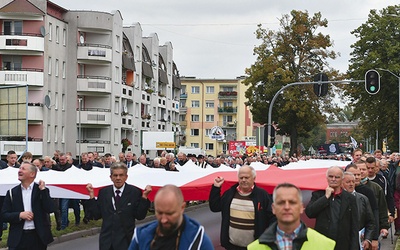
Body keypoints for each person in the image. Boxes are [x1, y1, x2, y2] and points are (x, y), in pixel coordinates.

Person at [85, 162, 152, 250]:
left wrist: (144, 197)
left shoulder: (134, 192)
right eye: (115, 175)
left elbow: (140, 216)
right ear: (111, 177)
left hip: (126, 241)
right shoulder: (104, 192)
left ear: (126, 177)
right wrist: (91, 196)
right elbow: (97, 215)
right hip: (107, 242)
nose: (118, 178)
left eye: (121, 175)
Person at [248, 183, 335, 250]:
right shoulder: (254, 248)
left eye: (292, 202)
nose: (287, 207)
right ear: (273, 208)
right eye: (281, 202)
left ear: (301, 208)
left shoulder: (326, 245)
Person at [209, 165, 275, 249]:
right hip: (231, 246)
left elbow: (273, 217)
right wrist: (216, 187)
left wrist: (268, 236)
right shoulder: (230, 193)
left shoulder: (262, 195)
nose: (243, 180)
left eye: (247, 177)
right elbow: (215, 207)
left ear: (254, 178)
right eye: (241, 177)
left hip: (254, 247)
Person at [128, 185, 213, 249]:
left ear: (182, 207)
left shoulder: (198, 240)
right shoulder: (142, 236)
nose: (164, 220)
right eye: (159, 213)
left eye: (170, 214)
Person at [1, 161, 54, 250]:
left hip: (37, 237)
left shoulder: (41, 191)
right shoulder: (11, 192)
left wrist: (43, 190)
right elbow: (4, 215)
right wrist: (20, 215)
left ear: (32, 174)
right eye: (19, 168)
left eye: (23, 169)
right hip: (18, 238)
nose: (19, 171)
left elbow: (50, 208)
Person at [305, 166, 359, 250]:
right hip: (322, 243)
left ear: (342, 179)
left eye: (337, 177)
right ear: (326, 178)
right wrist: (325, 197)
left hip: (342, 244)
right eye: (331, 176)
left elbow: (354, 225)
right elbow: (310, 213)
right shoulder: (318, 194)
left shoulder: (350, 198)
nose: (333, 179)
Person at [342, 172, 377, 250]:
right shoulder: (338, 199)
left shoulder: (363, 199)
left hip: (358, 241)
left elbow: (370, 222)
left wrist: (368, 239)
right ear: (341, 183)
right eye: (348, 182)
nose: (351, 184)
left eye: (353, 182)